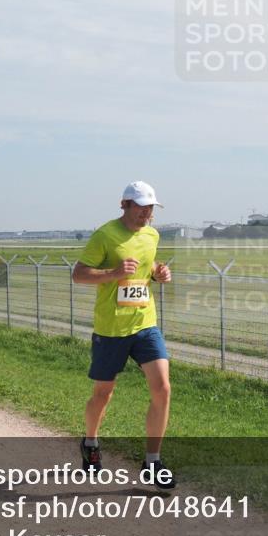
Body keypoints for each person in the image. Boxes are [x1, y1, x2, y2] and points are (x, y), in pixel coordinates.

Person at [71, 181, 175, 488]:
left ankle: (153, 463)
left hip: (145, 323)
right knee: (103, 394)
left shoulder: (152, 235)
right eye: (141, 206)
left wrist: (159, 272)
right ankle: (91, 442)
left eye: (150, 207)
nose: (146, 213)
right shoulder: (105, 235)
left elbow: (147, 266)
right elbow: (78, 274)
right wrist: (113, 273)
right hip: (111, 329)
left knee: (163, 388)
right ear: (125, 204)